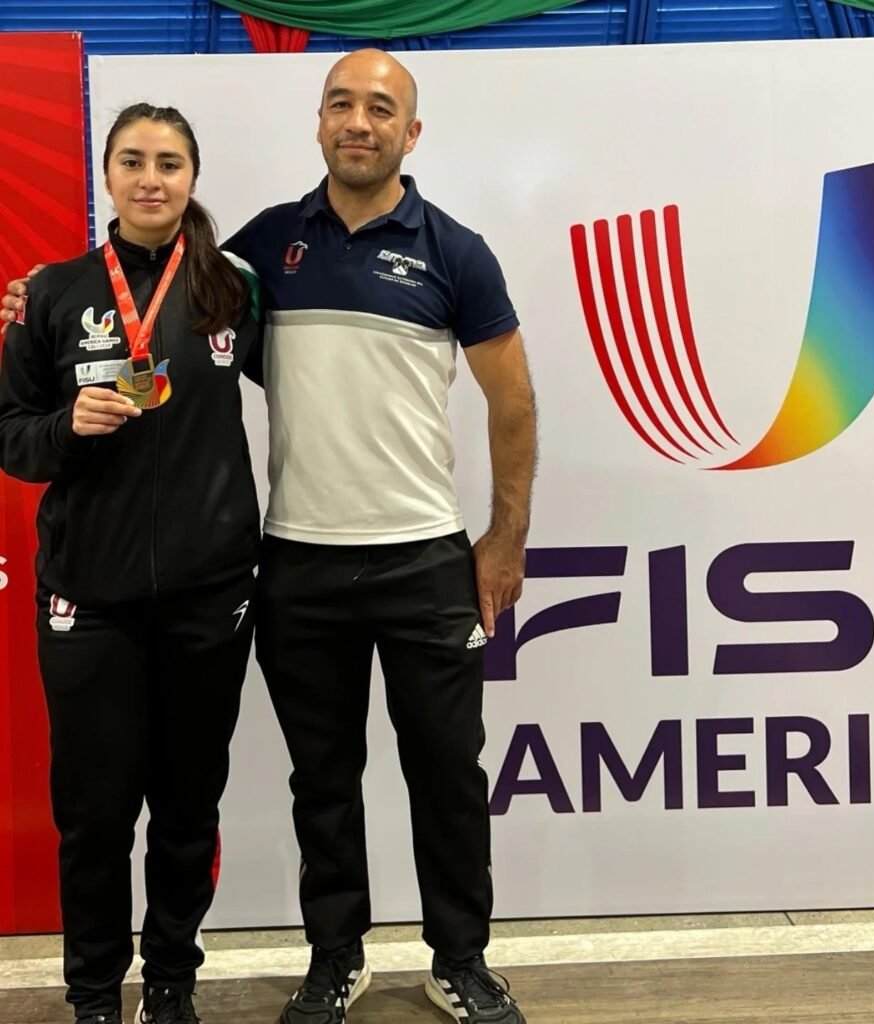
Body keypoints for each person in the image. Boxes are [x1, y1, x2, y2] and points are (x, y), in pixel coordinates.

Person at [3, 49, 538, 1024]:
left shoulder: (444, 253)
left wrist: (506, 538)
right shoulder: (263, 250)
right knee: (318, 782)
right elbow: (122, 317)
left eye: (381, 108)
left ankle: (459, 961)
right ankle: (331, 961)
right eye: (341, 103)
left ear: (411, 132)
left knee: (447, 776)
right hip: (293, 557)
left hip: (418, 552)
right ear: (320, 122)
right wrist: (41, 301)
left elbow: (514, 399)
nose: (359, 121)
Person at [0, 104, 263, 1024]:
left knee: (188, 811)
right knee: (95, 817)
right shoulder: (53, 294)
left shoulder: (234, 288)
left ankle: (171, 985)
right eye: (133, 161)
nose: (152, 179)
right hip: (90, 600)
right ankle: (93, 997)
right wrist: (64, 428)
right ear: (106, 174)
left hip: (209, 596)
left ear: (193, 176)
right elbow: (11, 435)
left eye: (170, 162)